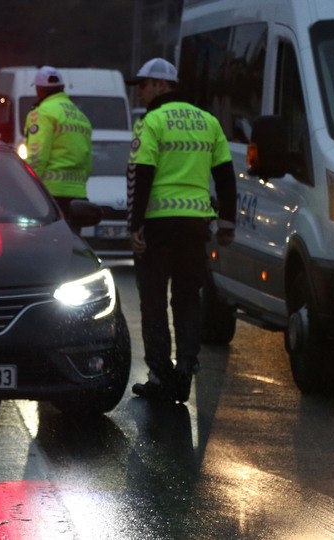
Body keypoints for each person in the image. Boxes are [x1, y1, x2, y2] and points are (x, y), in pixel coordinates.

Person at [124, 58, 236, 404]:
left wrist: (135, 225)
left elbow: (141, 175)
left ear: (161, 85)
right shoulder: (208, 122)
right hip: (194, 228)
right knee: (188, 299)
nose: (138, 93)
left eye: (142, 85)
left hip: (157, 228)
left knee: (154, 302)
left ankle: (160, 375)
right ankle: (186, 366)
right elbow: (225, 176)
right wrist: (228, 222)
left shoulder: (151, 122)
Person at [23, 65, 93, 231]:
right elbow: (88, 162)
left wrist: (27, 188)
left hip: (50, 196)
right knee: (71, 249)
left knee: (47, 248)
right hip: (79, 198)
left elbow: (36, 157)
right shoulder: (80, 117)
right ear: (61, 88)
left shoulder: (42, 113)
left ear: (39, 89)